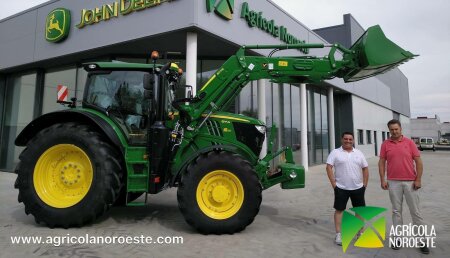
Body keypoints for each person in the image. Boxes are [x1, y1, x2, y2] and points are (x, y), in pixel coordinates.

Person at [378, 119, 429, 254]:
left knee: (415, 212)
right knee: (396, 212)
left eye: (396, 129)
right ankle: (397, 239)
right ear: (389, 130)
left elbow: (418, 161)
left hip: (410, 182)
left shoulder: (410, 143)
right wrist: (382, 179)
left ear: (400, 129)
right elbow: (382, 162)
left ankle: (422, 241)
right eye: (392, 130)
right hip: (393, 182)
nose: (394, 132)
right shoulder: (385, 144)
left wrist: (418, 179)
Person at [326, 132, 369, 246]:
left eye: (350, 139)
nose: (348, 141)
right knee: (339, 210)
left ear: (353, 140)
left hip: (358, 187)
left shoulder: (359, 153)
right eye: (346, 139)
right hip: (341, 188)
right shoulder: (335, 152)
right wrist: (334, 185)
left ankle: (360, 233)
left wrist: (364, 185)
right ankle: (338, 234)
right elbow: (329, 167)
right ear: (341, 140)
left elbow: (365, 168)